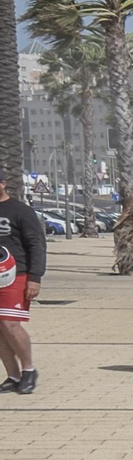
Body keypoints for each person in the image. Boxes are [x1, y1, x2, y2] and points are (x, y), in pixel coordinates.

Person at [0, 169, 47, 394]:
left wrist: (34, 278)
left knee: (10, 324)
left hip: (16, 275)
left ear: (2, 184)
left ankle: (28, 370)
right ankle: (13, 375)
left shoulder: (20, 211)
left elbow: (36, 244)